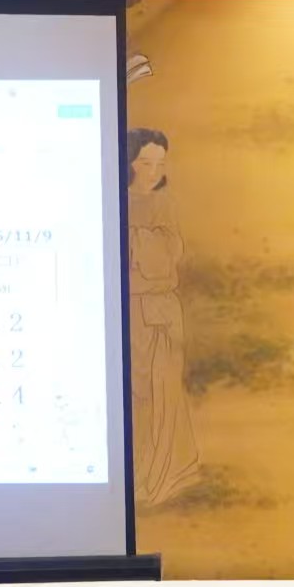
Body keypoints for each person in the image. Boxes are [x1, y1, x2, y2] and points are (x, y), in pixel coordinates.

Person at [125, 128, 202, 506]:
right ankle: (133, 474)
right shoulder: (116, 199)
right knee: (134, 393)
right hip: (129, 312)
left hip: (160, 310)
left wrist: (138, 239)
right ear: (129, 163)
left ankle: (163, 474)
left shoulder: (164, 202)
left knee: (162, 390)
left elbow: (172, 250)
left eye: (160, 163)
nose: (153, 171)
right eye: (145, 163)